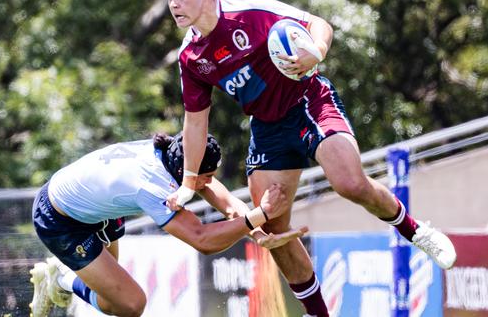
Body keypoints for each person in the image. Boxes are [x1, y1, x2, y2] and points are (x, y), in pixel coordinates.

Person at [162, 0, 457, 317]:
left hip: (308, 102)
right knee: (271, 229)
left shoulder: (249, 10)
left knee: (349, 183)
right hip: (267, 127)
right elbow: (195, 123)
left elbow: (318, 24)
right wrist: (190, 183)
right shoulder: (191, 57)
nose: (174, 5)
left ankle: (416, 232)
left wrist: (316, 51)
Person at [28, 133, 306, 317]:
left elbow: (224, 200)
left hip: (95, 208)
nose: (208, 184)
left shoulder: (175, 152)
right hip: (60, 219)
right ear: (187, 171)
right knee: (130, 304)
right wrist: (261, 214)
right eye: (205, 177)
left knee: (114, 297)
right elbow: (202, 240)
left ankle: (64, 279)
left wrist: (258, 230)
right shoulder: (153, 188)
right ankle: (62, 279)